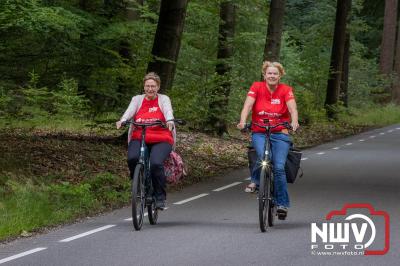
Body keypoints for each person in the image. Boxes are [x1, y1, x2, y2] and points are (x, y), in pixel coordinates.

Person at [237, 61, 299, 219]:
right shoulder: (256, 87)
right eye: (269, 73)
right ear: (264, 75)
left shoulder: (286, 90)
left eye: (275, 74)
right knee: (264, 157)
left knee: (278, 168)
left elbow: (292, 108)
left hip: (280, 132)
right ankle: (256, 182)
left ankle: (282, 204)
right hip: (259, 131)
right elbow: (248, 106)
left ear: (280, 76)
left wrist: (294, 122)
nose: (272, 76)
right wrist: (243, 121)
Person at [116, 72, 175, 210]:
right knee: (132, 158)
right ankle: (138, 182)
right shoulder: (137, 99)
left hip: (161, 138)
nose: (150, 89)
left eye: (153, 86)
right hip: (140, 135)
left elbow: (168, 111)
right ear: (144, 86)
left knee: (155, 163)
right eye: (147, 86)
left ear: (158, 87)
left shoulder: (164, 99)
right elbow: (129, 112)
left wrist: (170, 121)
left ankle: (159, 196)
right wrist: (123, 120)